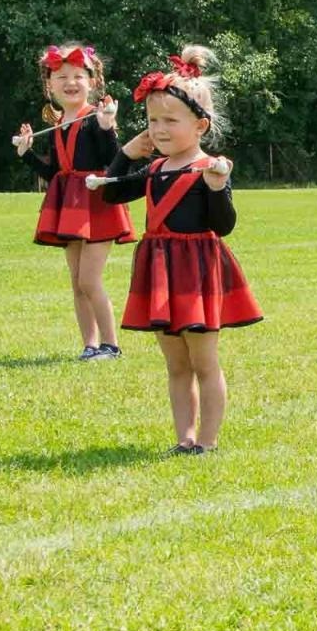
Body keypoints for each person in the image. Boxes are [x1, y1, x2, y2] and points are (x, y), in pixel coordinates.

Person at [103, 46, 262, 453]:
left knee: (203, 362)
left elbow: (223, 225)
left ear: (200, 125)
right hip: (159, 271)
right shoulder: (155, 168)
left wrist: (215, 189)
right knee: (176, 364)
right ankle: (184, 439)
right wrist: (124, 154)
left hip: (196, 273)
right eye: (153, 120)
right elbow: (111, 194)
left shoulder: (211, 167)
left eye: (170, 120)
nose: (158, 129)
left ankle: (206, 442)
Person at [13, 42, 135, 361]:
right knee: (77, 282)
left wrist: (108, 128)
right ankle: (89, 345)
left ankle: (111, 345)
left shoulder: (96, 118)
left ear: (92, 82)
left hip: (98, 204)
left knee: (89, 279)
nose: (70, 82)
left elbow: (114, 162)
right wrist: (27, 154)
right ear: (49, 85)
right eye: (61, 76)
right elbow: (55, 171)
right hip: (70, 207)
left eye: (78, 76)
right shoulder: (56, 125)